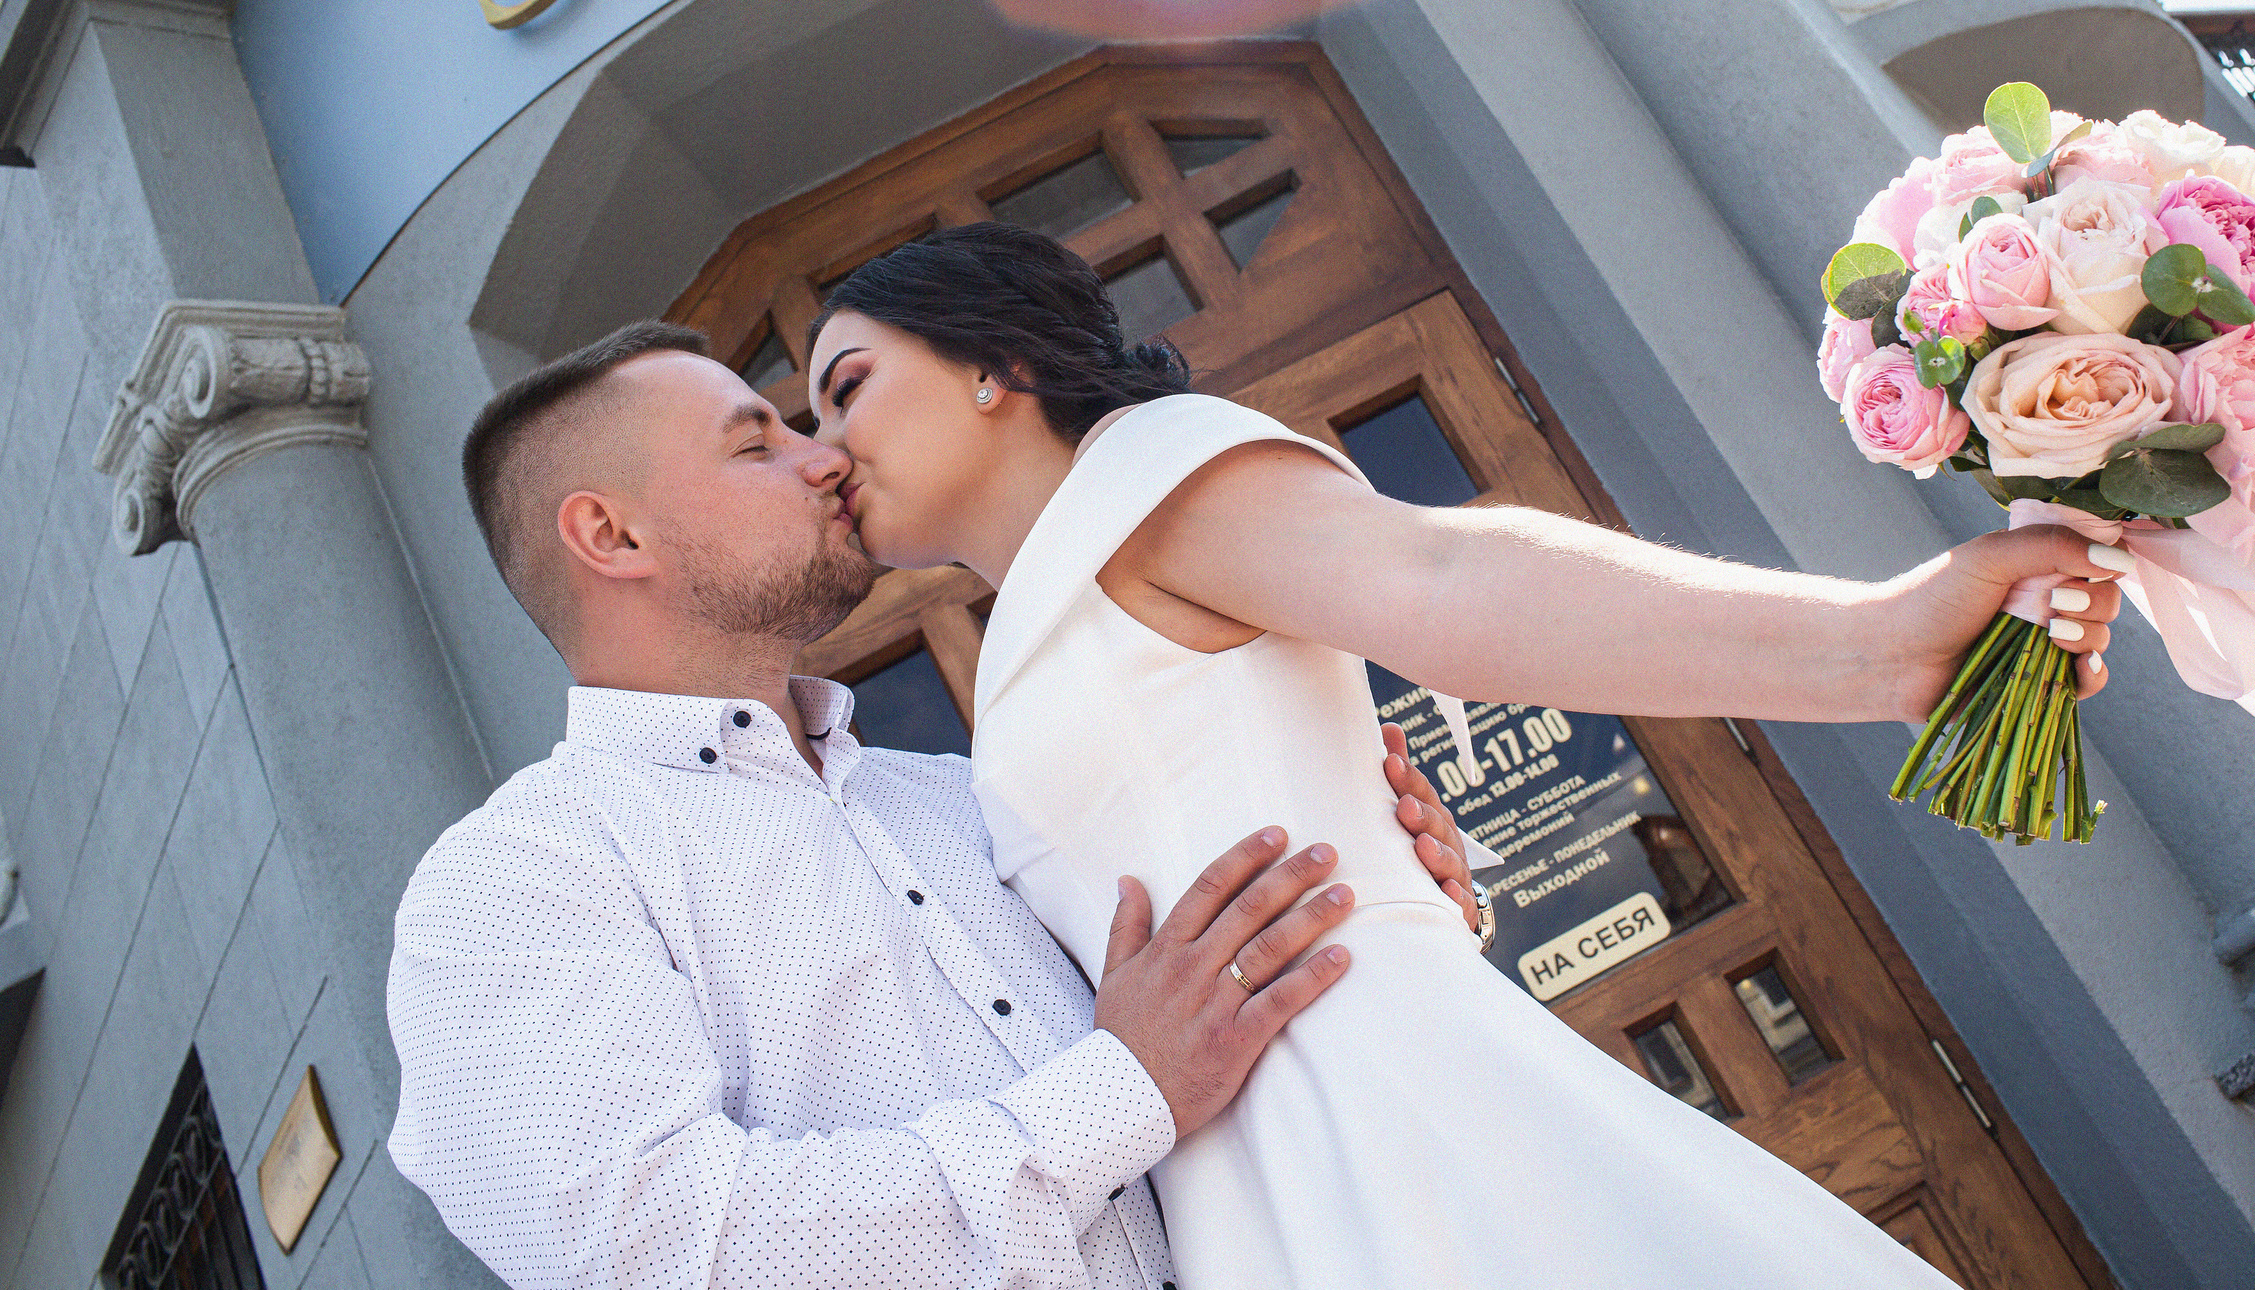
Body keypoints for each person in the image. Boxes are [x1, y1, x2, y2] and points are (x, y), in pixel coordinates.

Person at [806, 223, 2129, 1290]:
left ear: (991, 362)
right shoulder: (1039, 614)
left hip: (1394, 1125)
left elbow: (1443, 575)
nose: (827, 451)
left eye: (846, 387)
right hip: (1242, 1180)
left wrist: (1877, 643)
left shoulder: (1146, 470)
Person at [384, 321, 1490, 1290]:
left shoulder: (965, 794)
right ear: (612, 536)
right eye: (756, 442)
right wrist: (1122, 1092)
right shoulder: (515, 883)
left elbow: (1225, 1014)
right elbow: (656, 1252)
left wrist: (1375, 885)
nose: (827, 461)